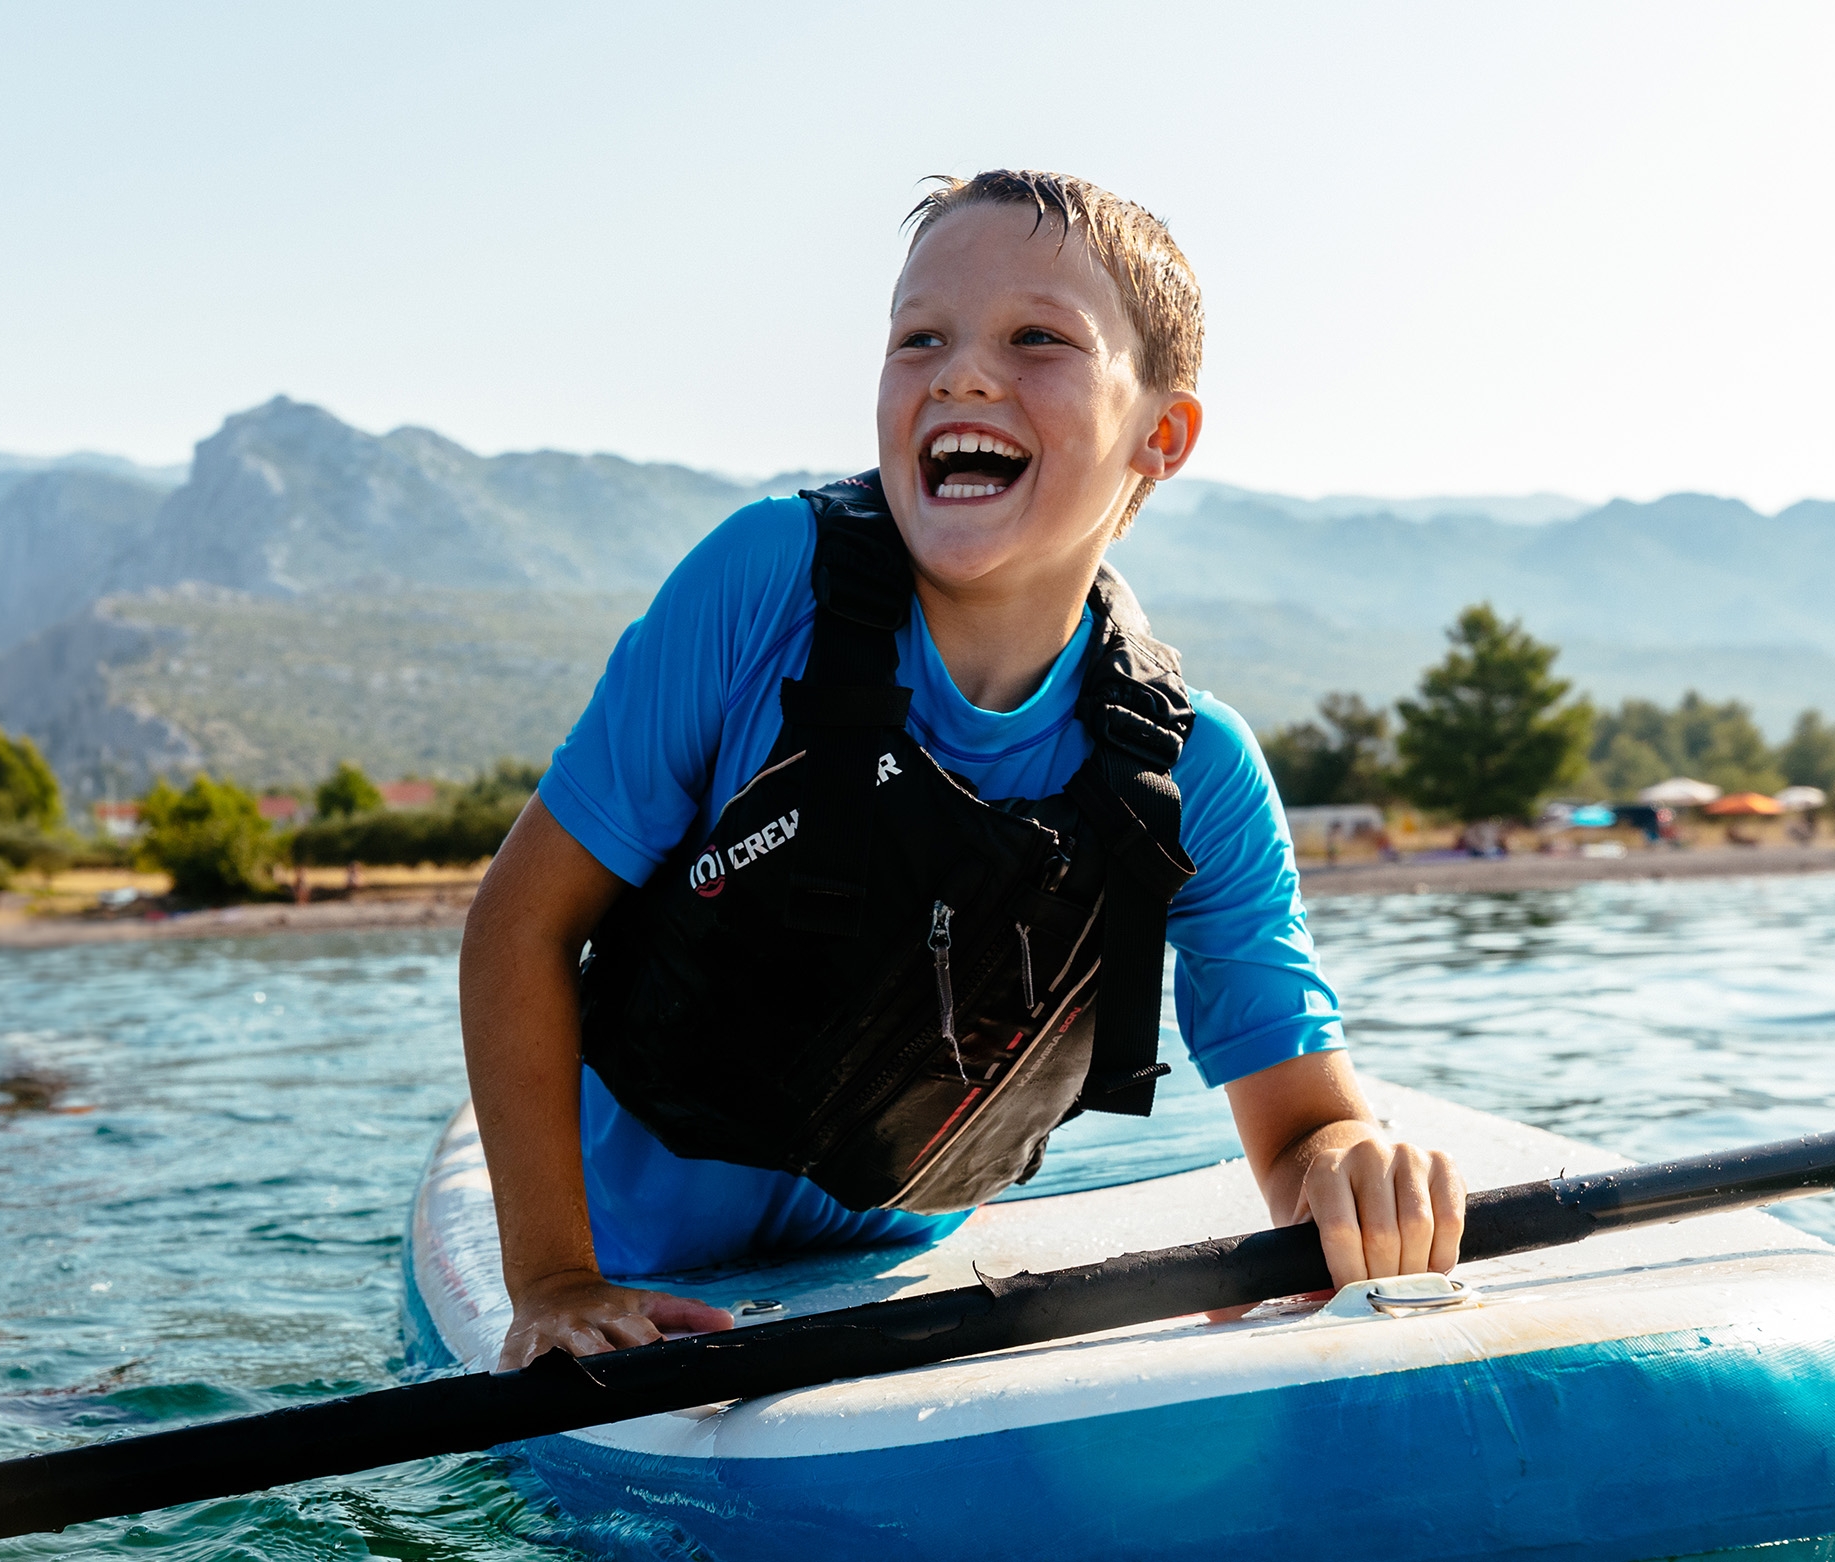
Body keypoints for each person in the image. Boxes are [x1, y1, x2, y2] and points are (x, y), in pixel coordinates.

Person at [461, 170, 1466, 1369]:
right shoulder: (763, 585)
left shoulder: (1199, 774)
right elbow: (517, 930)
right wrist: (557, 1277)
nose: (963, 373)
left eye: (1036, 338)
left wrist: (1348, 1160)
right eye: (918, 338)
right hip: (623, 1254)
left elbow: (1302, 1125)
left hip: (887, 1278)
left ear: (1164, 434)